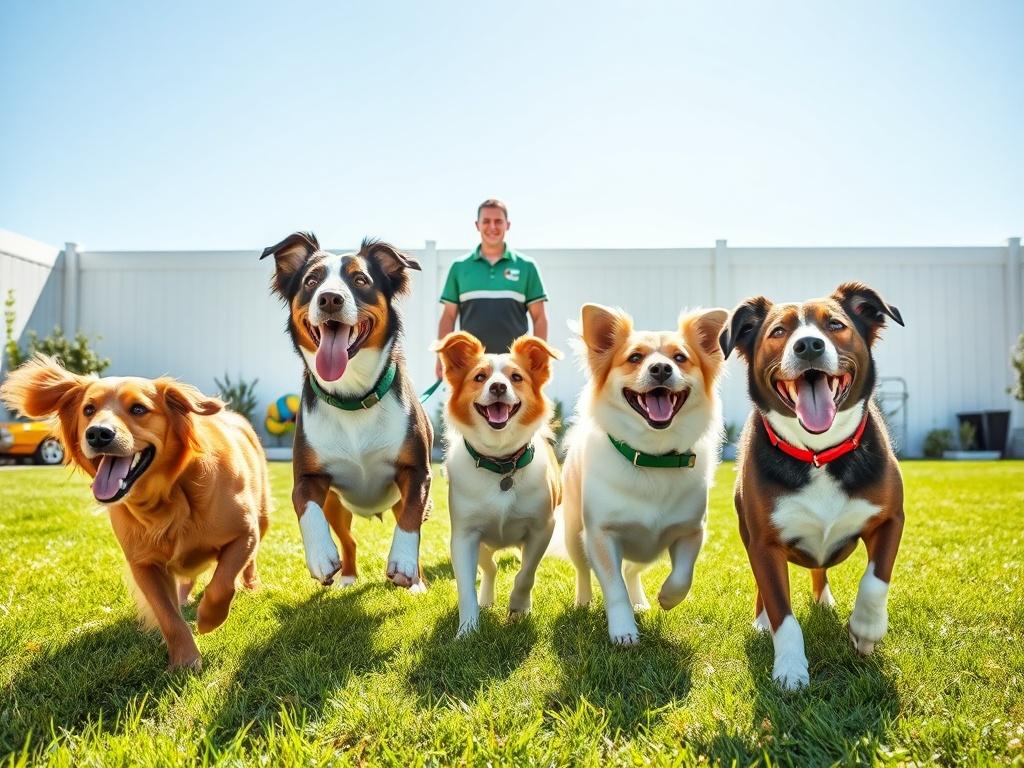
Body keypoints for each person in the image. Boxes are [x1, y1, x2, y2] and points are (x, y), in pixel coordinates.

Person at [435, 199, 548, 379]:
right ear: (477, 225)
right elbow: (448, 317)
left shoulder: (527, 266)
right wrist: (442, 357)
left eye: (498, 221)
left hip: (514, 368)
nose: (492, 226)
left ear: (507, 225)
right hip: (472, 368)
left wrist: (539, 360)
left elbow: (539, 317)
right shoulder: (459, 267)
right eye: (486, 221)